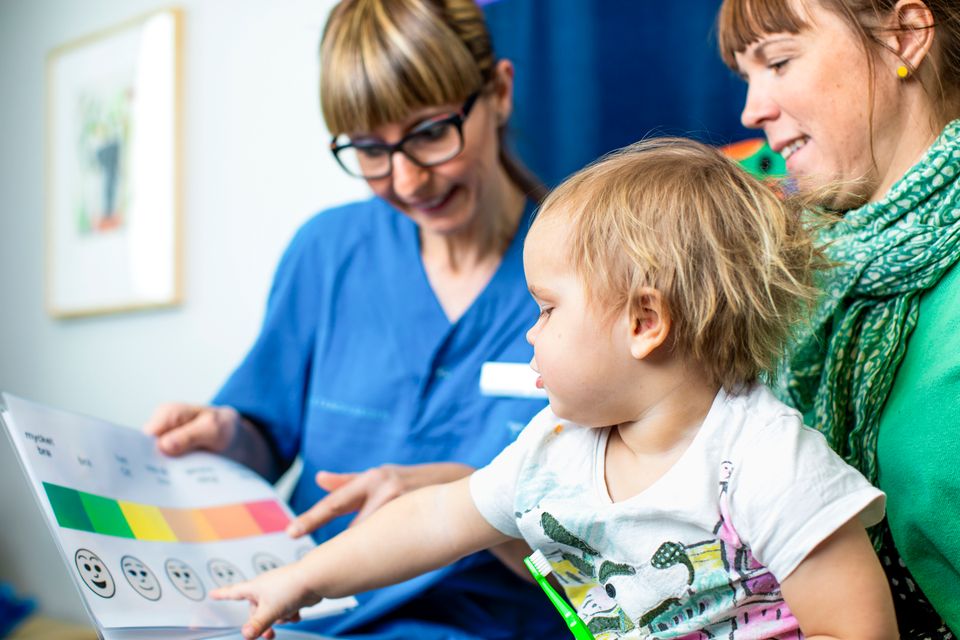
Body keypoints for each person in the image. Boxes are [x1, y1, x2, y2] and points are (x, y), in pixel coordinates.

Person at [210, 138, 898, 640]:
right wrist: (302, 579)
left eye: (546, 309)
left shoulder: (766, 462)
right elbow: (430, 519)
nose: (530, 334)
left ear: (644, 321)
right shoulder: (554, 452)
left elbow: (860, 630)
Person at [143, 0, 568, 637]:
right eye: (370, 149)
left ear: (500, 92)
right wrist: (228, 435)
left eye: (430, 133)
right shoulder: (326, 253)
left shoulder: (587, 271)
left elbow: (613, 558)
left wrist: (472, 499)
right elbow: (264, 435)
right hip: (296, 614)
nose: (405, 178)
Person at [717, 0, 960, 635]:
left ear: (906, 36)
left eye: (777, 61)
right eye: (746, 75)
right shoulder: (802, 277)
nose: (752, 109)